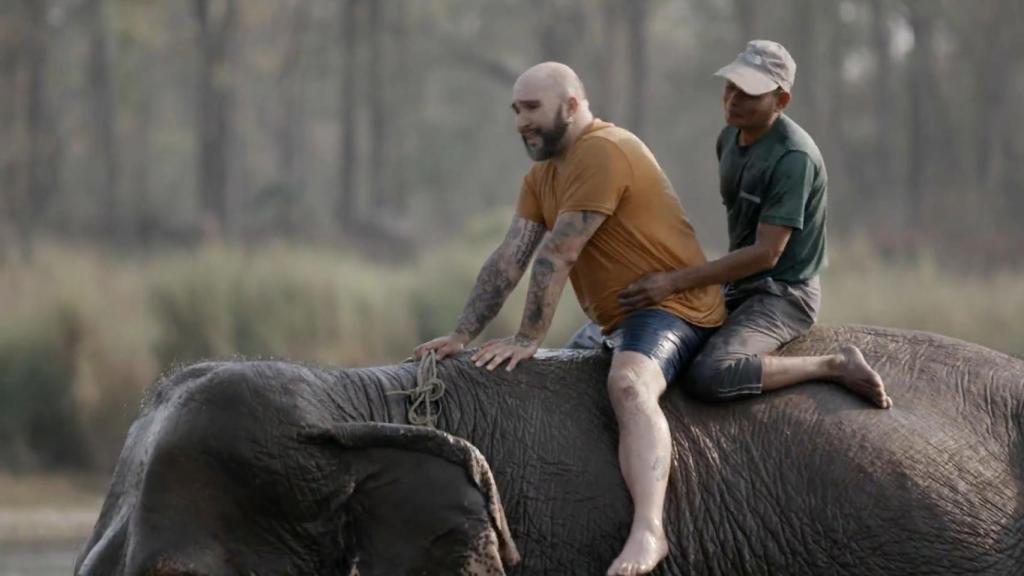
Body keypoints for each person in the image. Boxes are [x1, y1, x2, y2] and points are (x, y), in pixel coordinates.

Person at [414, 61, 726, 576]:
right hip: (617, 320)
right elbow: (509, 258)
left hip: (674, 308)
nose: (520, 121)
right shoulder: (542, 177)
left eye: (532, 107)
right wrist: (461, 335)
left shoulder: (601, 151)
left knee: (628, 384)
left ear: (574, 105)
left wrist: (528, 336)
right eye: (516, 110)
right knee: (552, 376)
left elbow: (557, 255)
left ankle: (651, 529)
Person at [617, 40, 892, 409]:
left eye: (750, 93)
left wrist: (674, 281)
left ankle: (832, 364)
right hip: (738, 285)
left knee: (710, 374)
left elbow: (766, 254)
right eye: (730, 86)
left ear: (781, 101)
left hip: (783, 293)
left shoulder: (794, 158)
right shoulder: (728, 137)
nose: (733, 100)